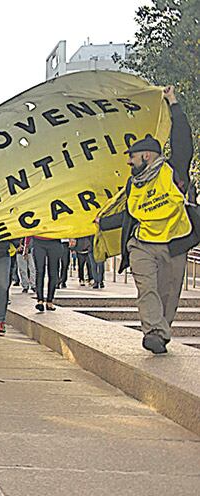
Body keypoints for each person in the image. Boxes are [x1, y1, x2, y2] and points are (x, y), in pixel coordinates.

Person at [97, 86, 197, 354]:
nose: (129, 161)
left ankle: (161, 331)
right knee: (147, 289)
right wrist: (101, 223)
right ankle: (153, 332)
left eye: (132, 156)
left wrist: (173, 103)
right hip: (142, 244)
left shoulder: (173, 173)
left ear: (147, 156)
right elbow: (130, 215)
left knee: (168, 294)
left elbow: (182, 141)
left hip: (174, 242)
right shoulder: (133, 184)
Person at [31, 236, 62, 311]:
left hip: (54, 240)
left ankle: (50, 301)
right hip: (38, 240)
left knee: (53, 272)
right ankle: (40, 300)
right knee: (40, 271)